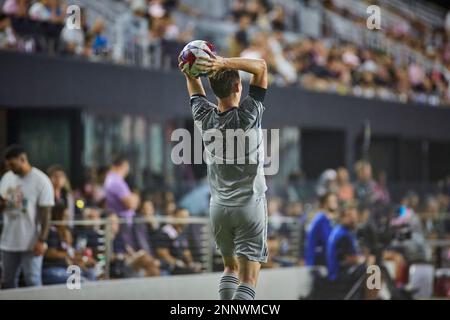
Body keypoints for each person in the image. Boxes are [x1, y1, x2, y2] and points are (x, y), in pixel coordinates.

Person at [180, 52, 268, 300]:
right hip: (250, 207)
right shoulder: (248, 115)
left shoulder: (203, 117)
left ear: (214, 88)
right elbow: (260, 67)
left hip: (219, 209)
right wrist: (222, 63)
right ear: (239, 86)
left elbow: (195, 90)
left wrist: (190, 70)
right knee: (248, 279)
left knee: (230, 268)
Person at [0, 145, 54, 289]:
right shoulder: (7, 178)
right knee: (7, 282)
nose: (10, 168)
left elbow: (46, 214)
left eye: (12, 164)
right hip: (8, 241)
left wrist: (42, 240)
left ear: (23, 159)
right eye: (8, 165)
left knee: (32, 281)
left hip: (31, 242)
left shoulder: (41, 180)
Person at [326, 202, 375, 299]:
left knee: (374, 268)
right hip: (338, 274)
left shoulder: (348, 232)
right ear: (343, 217)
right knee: (374, 271)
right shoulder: (341, 234)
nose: (354, 219)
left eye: (355, 216)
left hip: (346, 270)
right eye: (350, 216)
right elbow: (347, 259)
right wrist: (365, 260)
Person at [104, 155, 140, 252]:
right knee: (128, 251)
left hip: (122, 222)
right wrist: (136, 197)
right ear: (123, 166)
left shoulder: (112, 179)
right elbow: (131, 204)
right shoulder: (116, 181)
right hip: (122, 222)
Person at [153, 208, 201, 275]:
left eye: (186, 217)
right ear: (174, 217)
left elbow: (186, 252)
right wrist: (177, 263)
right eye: (182, 217)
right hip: (170, 267)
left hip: (182, 266)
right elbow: (162, 254)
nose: (185, 220)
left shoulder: (182, 233)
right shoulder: (164, 232)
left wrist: (191, 264)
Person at [304, 192, 338, 266]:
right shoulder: (320, 219)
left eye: (336, 201)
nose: (335, 203)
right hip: (321, 261)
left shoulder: (332, 220)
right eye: (332, 201)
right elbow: (313, 241)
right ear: (325, 204)